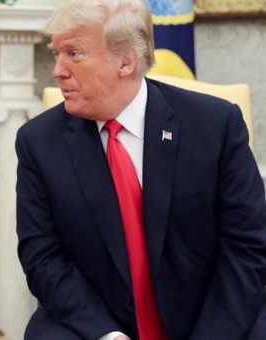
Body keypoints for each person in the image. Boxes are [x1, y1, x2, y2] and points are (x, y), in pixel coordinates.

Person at [15, 0, 266, 339]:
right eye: (56, 53)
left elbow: (247, 247)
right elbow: (42, 258)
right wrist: (108, 336)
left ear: (126, 62)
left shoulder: (215, 126)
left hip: (208, 312)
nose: (57, 70)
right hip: (95, 319)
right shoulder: (39, 141)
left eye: (73, 54)